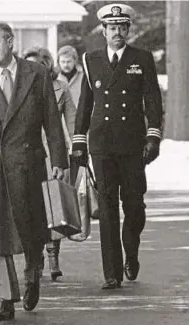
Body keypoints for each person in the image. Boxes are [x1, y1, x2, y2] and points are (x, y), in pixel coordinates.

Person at [0, 22, 68, 321]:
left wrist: (59, 159)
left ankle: (33, 273)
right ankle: (6, 298)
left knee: (32, 227)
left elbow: (52, 121)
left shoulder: (37, 74)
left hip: (29, 162)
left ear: (11, 42)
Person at [72, 3, 163, 290]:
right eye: (112, 28)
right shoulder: (91, 60)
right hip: (102, 144)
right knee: (108, 207)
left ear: (128, 30)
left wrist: (153, 137)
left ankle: (131, 253)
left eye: (122, 27)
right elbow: (85, 105)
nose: (117, 33)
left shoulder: (142, 58)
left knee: (134, 206)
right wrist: (79, 141)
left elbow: (152, 101)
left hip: (133, 144)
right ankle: (111, 272)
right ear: (103, 31)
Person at [23, 46, 76, 281]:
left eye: (38, 64)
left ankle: (53, 257)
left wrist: (77, 149)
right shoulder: (17, 88)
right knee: (31, 207)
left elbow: (72, 120)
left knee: (53, 205)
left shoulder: (60, 87)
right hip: (26, 153)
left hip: (52, 152)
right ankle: (35, 257)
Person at [57, 45, 85, 109]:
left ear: (75, 61)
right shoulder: (54, 78)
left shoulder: (84, 77)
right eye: (63, 62)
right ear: (58, 62)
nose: (66, 65)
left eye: (68, 61)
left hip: (79, 116)